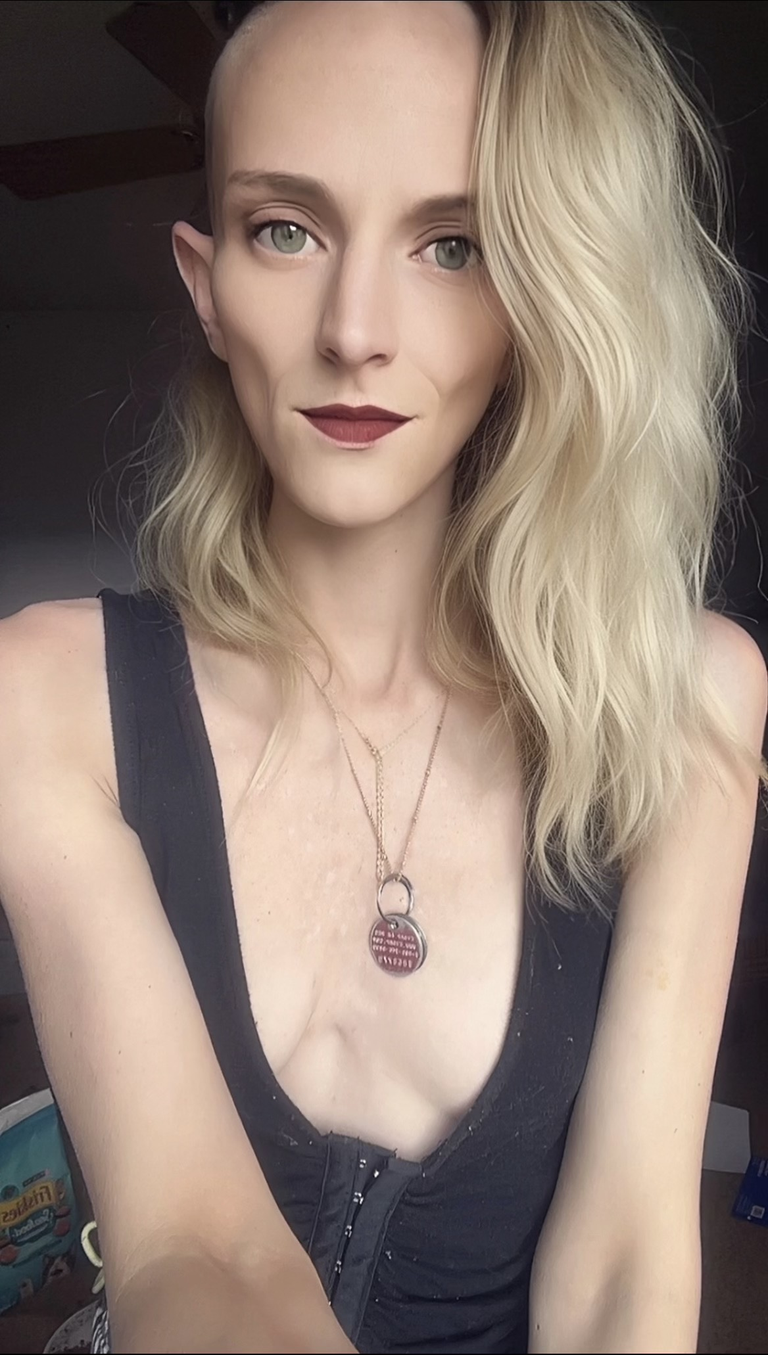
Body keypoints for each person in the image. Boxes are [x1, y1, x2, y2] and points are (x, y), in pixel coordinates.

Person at [1, 1, 767, 1351]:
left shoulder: (687, 698)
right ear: (205, 285)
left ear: (539, 292)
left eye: (451, 244)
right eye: (284, 229)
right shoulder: (44, 699)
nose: (356, 329)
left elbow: (628, 1261)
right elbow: (193, 1243)